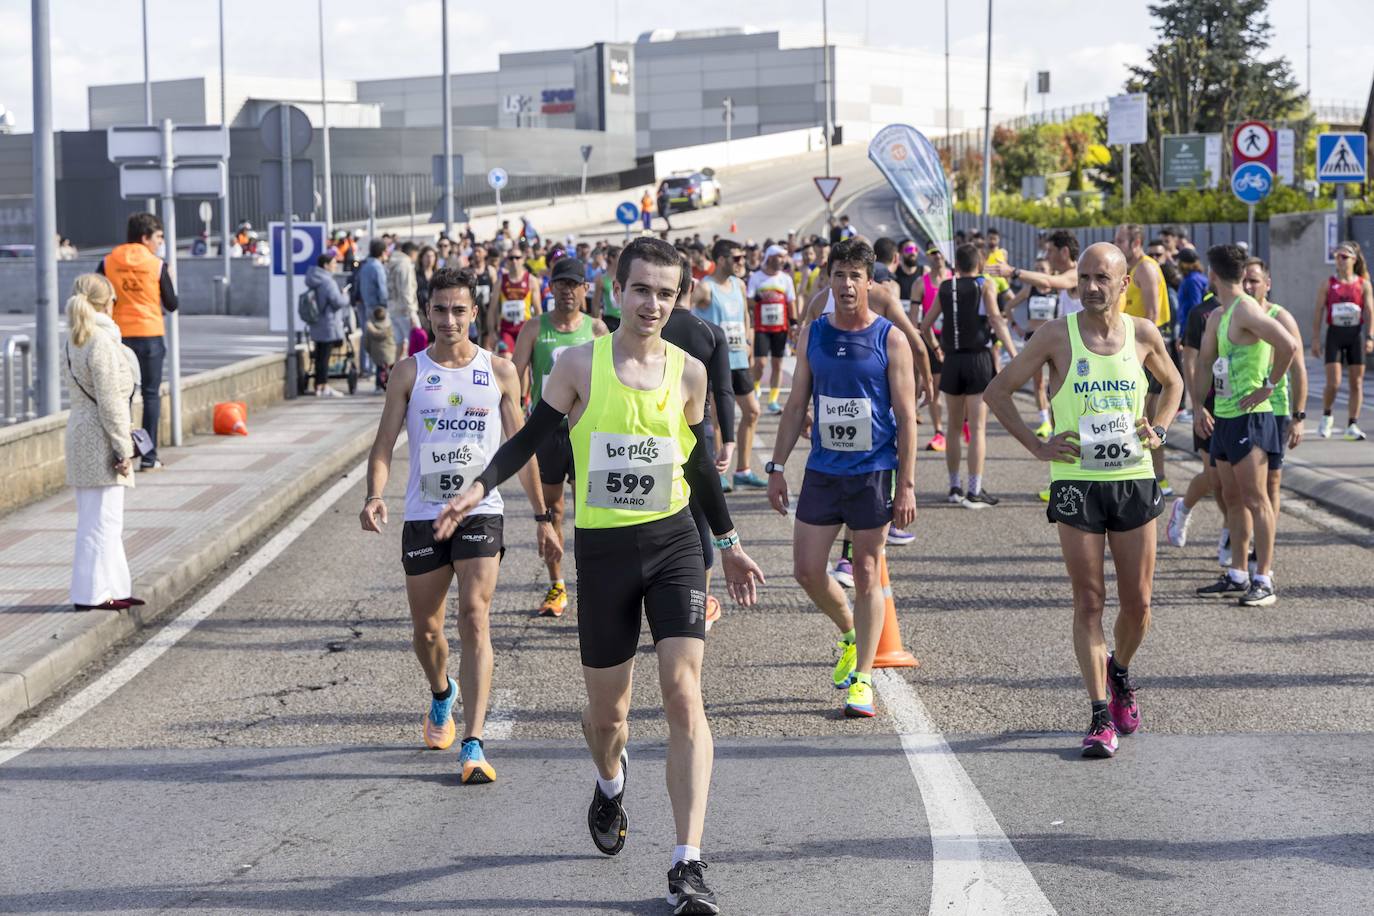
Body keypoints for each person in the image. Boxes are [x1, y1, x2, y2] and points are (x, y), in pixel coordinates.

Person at [435, 237, 765, 915]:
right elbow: (532, 438)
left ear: (679, 300)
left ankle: (687, 862)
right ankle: (610, 783)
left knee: (682, 695)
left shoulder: (690, 371)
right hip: (607, 550)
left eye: (665, 293)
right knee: (607, 717)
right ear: (616, 291)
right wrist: (479, 486)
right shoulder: (582, 365)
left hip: (674, 542)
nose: (651, 304)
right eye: (641, 289)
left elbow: (698, 463)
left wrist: (727, 541)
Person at [360, 266, 557, 786]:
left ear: (475, 313)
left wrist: (542, 516)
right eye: (440, 310)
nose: (450, 319)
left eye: (459, 310)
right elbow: (383, 444)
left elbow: (521, 448)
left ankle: (473, 741)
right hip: (424, 515)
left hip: (480, 511)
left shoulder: (499, 371)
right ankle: (442, 693)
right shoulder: (409, 372)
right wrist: (375, 495)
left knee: (474, 614)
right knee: (427, 631)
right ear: (428, 312)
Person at [984, 242, 1182, 758]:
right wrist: (1036, 446)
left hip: (1134, 477)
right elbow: (998, 392)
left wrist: (1158, 429)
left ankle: (1118, 672)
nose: (1092, 286)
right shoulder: (1055, 335)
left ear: (1123, 284)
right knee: (1089, 599)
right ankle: (1099, 716)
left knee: (1138, 605)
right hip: (1076, 481)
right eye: (1085, 277)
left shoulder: (1142, 334)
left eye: (1102, 278)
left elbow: (1175, 383)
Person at [766, 238, 918, 718]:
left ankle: (864, 679)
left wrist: (907, 484)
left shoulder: (890, 339)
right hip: (823, 471)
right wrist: (775, 467)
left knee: (869, 572)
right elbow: (795, 407)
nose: (847, 284)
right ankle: (852, 634)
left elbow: (908, 417)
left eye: (856, 275)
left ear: (870, 281)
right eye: (839, 275)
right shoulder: (814, 334)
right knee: (808, 571)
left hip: (873, 472)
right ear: (828, 280)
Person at [1192, 244, 1298, 608]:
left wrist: (1268, 386)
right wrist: (1195, 406)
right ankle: (1237, 572)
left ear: (1212, 275)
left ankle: (1263, 577)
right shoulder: (1218, 315)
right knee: (1232, 497)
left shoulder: (1246, 310)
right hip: (1223, 415)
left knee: (1257, 498)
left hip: (1252, 417)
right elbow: (1204, 364)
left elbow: (1288, 345)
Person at [512, 256, 609, 618]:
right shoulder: (534, 328)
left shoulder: (598, 330)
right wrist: (515, 410)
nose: (567, 291)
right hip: (548, 432)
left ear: (585, 289)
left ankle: (597, 584)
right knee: (553, 509)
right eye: (561, 284)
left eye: (574, 284)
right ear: (550, 288)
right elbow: (515, 373)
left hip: (587, 431)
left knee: (594, 509)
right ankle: (558, 585)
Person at [665, 253, 737, 630]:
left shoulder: (646, 329)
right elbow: (724, 392)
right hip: (697, 434)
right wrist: (730, 441)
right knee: (698, 519)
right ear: (691, 287)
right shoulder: (710, 332)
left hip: (649, 433)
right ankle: (700, 603)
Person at [63, 273, 144, 612]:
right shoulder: (102, 341)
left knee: (98, 519)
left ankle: (112, 587)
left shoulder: (77, 337)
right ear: (106, 303)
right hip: (100, 438)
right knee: (102, 521)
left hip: (80, 432)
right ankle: (92, 594)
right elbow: (111, 402)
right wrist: (123, 449)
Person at [919, 243, 1016, 508]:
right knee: (977, 428)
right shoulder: (985, 285)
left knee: (952, 427)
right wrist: (1014, 353)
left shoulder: (945, 287)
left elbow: (925, 325)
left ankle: (953, 487)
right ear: (980, 262)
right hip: (978, 359)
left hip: (951, 359)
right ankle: (974, 490)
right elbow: (995, 319)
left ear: (957, 264)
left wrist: (937, 348)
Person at [98, 212, 179, 471]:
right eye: (158, 237)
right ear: (145, 237)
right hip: (150, 335)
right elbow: (172, 304)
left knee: (122, 397)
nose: (160, 243)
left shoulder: (108, 262)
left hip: (119, 338)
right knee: (151, 395)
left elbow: (97, 295)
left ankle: (121, 455)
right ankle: (148, 455)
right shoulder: (156, 264)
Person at [1241, 257, 1308, 529]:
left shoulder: (1280, 317)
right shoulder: (1233, 314)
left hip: (1275, 409)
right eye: (1243, 280)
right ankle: (1238, 535)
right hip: (1240, 408)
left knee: (1271, 481)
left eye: (1254, 281)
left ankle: (1263, 544)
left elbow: (1299, 369)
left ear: (1267, 284)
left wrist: (1299, 416)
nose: (1247, 286)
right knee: (1241, 482)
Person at [1166, 289, 1228, 557]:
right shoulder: (1201, 313)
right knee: (1215, 477)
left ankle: (1231, 537)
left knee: (1233, 482)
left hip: (1240, 405)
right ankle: (1184, 507)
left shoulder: (1254, 312)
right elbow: (1190, 361)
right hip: (1210, 404)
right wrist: (1197, 405)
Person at [1115, 224, 1175, 496]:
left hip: (1147, 347)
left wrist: (1139, 352)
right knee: (1134, 411)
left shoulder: (1147, 268)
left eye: (1120, 240)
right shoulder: (1129, 269)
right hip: (1130, 345)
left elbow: (1151, 314)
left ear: (1136, 241)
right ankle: (1140, 470)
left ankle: (1158, 477)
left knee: (1147, 414)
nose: (1117, 245)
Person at [692, 239, 754, 494]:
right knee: (717, 418)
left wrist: (749, 342)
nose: (742, 262)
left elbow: (745, 315)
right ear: (720, 260)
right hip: (717, 362)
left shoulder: (739, 284)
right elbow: (685, 309)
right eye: (736, 258)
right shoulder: (706, 288)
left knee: (753, 411)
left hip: (739, 359)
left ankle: (743, 471)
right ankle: (720, 474)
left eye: (743, 258)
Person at [1311, 241, 1373, 441]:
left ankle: (1352, 424)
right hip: (1335, 335)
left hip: (1355, 335)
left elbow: (1370, 310)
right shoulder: (1328, 283)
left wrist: (1370, 336)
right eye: (1337, 256)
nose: (1339, 260)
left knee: (1356, 382)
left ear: (1353, 260)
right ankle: (1327, 416)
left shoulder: (1363, 283)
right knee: (1334, 382)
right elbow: (1319, 310)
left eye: (1344, 257)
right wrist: (1315, 339)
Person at [1004, 257, 1058, 439]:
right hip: (1033, 339)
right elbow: (1008, 306)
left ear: (1050, 272)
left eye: (1042, 268)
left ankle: (1057, 419)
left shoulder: (1058, 290)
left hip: (1055, 341)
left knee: (1057, 383)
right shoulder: (1029, 289)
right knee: (1038, 383)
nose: (1038, 272)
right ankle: (1044, 421)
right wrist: (1015, 327)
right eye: (1035, 268)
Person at [748, 244, 798, 421]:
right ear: (769, 258)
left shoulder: (786, 279)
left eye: (784, 257)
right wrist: (760, 298)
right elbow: (749, 301)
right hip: (762, 327)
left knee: (778, 364)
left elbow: (791, 302)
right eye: (779, 257)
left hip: (780, 327)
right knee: (760, 363)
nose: (782, 260)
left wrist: (794, 324)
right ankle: (755, 387)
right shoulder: (757, 277)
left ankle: (773, 400)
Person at [915, 246, 951, 451]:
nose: (937, 256)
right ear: (928, 256)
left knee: (958, 392)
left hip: (953, 340)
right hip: (931, 341)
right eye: (933, 252)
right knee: (935, 390)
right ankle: (939, 433)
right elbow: (914, 319)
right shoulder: (922, 283)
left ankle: (963, 423)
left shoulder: (954, 279)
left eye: (940, 252)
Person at [305, 253, 353, 398]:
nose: (335, 266)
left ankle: (318, 387)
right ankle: (323, 386)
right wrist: (345, 294)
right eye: (333, 263)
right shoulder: (328, 282)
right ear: (325, 265)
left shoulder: (314, 279)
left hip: (317, 323)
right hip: (328, 323)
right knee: (324, 357)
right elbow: (337, 302)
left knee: (319, 356)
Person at [491, 251, 535, 357]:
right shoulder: (501, 281)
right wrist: (491, 331)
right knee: (505, 358)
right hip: (506, 329)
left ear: (523, 259)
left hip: (525, 328)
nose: (514, 261)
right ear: (507, 261)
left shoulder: (531, 280)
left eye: (517, 257)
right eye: (511, 258)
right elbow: (492, 309)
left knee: (524, 364)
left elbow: (538, 310)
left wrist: (540, 332)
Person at [387, 241, 421, 356]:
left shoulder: (393, 263)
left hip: (393, 309)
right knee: (417, 340)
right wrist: (411, 312)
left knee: (400, 344)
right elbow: (406, 290)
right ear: (413, 252)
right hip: (405, 310)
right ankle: (416, 371)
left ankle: (395, 372)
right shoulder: (405, 264)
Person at [358, 239, 390, 354]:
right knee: (378, 340)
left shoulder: (365, 265)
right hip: (378, 308)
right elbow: (382, 290)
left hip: (367, 305)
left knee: (367, 337)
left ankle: (365, 368)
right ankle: (376, 368)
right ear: (382, 252)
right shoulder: (377, 267)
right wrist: (387, 304)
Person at [365, 305, 398, 391]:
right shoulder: (391, 327)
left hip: (377, 354)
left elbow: (366, 342)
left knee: (379, 369)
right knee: (393, 369)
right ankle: (394, 385)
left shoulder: (370, 328)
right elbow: (396, 339)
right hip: (391, 353)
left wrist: (369, 351)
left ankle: (378, 386)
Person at [416, 245, 439, 312]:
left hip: (435, 309)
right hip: (420, 310)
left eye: (432, 256)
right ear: (421, 258)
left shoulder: (438, 275)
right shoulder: (415, 274)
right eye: (427, 256)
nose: (430, 259)